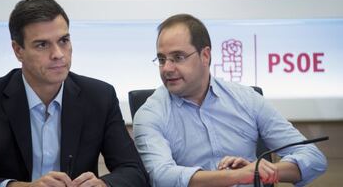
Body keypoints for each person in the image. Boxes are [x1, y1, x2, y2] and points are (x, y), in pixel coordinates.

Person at [0, 0, 149, 187]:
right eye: (42, 45)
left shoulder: (99, 96)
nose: (58, 54)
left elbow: (134, 171)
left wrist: (105, 184)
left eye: (63, 41)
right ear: (18, 50)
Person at [133, 14, 327, 187]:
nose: (166, 68)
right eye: (161, 59)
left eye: (178, 57)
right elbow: (162, 177)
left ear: (205, 56)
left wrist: (260, 171)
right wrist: (238, 177)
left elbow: (313, 158)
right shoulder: (150, 114)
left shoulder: (246, 99)